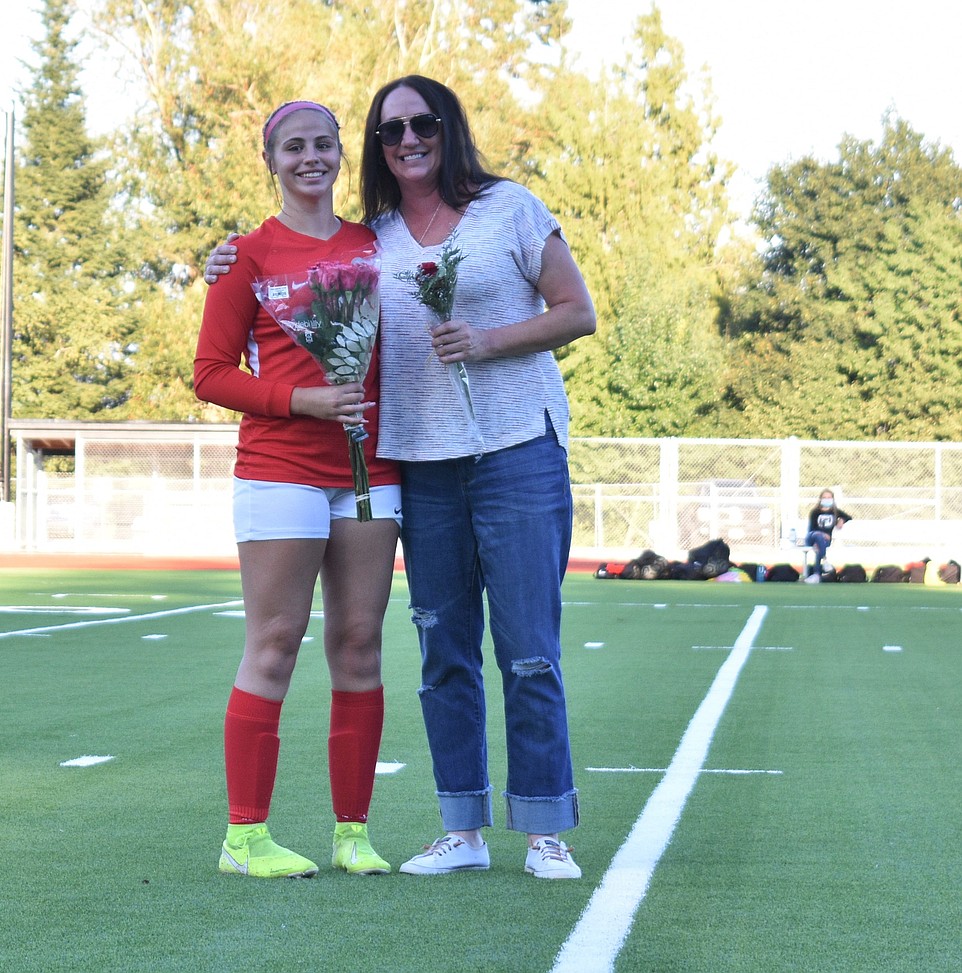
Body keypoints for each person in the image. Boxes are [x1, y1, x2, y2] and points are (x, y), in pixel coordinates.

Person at [206, 76, 596, 880]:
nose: (408, 138)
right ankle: (440, 829)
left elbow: (575, 310)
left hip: (465, 457)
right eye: (392, 130)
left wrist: (486, 341)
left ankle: (520, 829)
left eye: (421, 124)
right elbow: (225, 349)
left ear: (447, 128)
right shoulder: (320, 244)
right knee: (425, 648)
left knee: (489, 648)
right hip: (376, 463)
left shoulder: (461, 219)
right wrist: (226, 266)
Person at [193, 100, 402, 879]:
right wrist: (301, 401)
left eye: (323, 143)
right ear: (271, 160)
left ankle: (354, 832)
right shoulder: (246, 255)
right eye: (294, 146)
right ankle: (244, 837)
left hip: (371, 471)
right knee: (276, 643)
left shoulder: (374, 244)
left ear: (343, 154)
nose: (310, 156)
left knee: (359, 642)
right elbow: (210, 373)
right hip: (279, 468)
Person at [804, 488, 852, 583]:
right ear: (820, 499)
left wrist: (841, 520)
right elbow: (811, 529)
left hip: (824, 541)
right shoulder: (815, 512)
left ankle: (816, 575)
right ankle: (825, 560)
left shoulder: (835, 511)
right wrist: (821, 534)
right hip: (812, 537)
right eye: (824, 497)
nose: (827, 499)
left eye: (829, 497)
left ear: (832, 499)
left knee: (820, 545)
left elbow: (848, 517)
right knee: (818, 536)